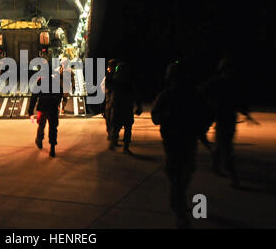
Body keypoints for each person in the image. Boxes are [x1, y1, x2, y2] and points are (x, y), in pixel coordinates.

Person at [151, 60, 211, 228]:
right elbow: (206, 116)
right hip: (182, 139)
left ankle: (177, 200)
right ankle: (179, 207)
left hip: (176, 139)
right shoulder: (192, 94)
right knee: (182, 172)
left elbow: (156, 117)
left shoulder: (168, 95)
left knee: (178, 173)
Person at [200, 57, 257, 187]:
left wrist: (246, 113)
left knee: (223, 144)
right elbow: (201, 93)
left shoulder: (224, 83)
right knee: (226, 147)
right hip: (223, 118)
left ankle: (216, 165)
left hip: (226, 118)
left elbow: (240, 101)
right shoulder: (222, 83)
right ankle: (233, 176)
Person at [104, 60, 142, 153]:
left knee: (116, 127)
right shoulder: (130, 81)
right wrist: (138, 106)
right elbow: (136, 94)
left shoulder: (115, 80)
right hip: (127, 108)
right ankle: (125, 147)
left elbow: (108, 84)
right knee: (127, 128)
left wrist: (110, 74)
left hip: (117, 107)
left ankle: (114, 142)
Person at [28, 67, 63, 157]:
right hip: (53, 108)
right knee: (53, 127)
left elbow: (34, 97)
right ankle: (52, 148)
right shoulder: (55, 82)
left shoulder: (39, 82)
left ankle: (39, 140)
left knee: (41, 125)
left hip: (42, 108)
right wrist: (56, 102)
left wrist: (30, 111)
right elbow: (60, 94)